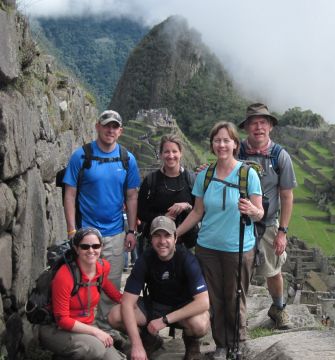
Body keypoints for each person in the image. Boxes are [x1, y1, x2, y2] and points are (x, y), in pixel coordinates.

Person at [176, 121, 264, 359]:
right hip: (207, 248)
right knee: (213, 300)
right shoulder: (205, 176)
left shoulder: (248, 174)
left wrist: (251, 211)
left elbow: (260, 212)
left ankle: (238, 343)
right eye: (217, 140)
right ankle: (221, 345)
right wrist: (176, 233)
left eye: (227, 140)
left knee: (235, 297)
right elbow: (197, 212)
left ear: (235, 144)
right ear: (212, 145)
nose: (222, 144)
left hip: (238, 248)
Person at [62, 110, 141, 329]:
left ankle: (106, 333)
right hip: (86, 233)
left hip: (115, 233)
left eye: (115, 126)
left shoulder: (127, 159)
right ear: (98, 126)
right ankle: (85, 329)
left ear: (121, 131)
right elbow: (70, 194)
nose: (110, 130)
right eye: (107, 125)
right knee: (83, 284)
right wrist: (71, 231)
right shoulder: (81, 156)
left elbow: (132, 196)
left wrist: (131, 231)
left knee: (110, 285)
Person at [108, 216, 210, 360]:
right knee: (115, 315)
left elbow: (203, 302)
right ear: (151, 239)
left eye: (167, 235)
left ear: (175, 238)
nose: (162, 241)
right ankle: (148, 341)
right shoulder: (145, 258)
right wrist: (137, 345)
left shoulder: (187, 259)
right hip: (154, 306)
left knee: (200, 324)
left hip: (183, 309)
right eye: (157, 235)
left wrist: (164, 320)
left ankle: (192, 348)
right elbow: (127, 302)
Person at [238, 102, 297, 329]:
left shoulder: (280, 157)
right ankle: (237, 313)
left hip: (268, 224)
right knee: (238, 271)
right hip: (239, 222)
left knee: (273, 271)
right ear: (246, 128)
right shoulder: (237, 151)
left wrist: (282, 232)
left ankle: (279, 308)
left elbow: (287, 196)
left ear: (270, 126)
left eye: (263, 122)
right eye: (254, 123)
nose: (259, 127)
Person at [39, 228, 125, 360]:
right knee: (95, 349)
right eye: (85, 247)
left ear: (101, 247)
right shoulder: (64, 276)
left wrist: (125, 301)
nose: (91, 251)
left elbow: (106, 285)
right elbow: (62, 320)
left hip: (86, 326)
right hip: (57, 329)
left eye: (95, 246)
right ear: (76, 248)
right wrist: (97, 332)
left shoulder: (103, 267)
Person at [138, 135, 197, 249]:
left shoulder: (191, 179)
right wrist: (162, 217)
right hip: (157, 244)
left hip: (186, 244)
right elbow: (141, 212)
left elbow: (200, 211)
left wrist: (187, 206)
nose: (171, 156)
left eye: (174, 151)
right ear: (160, 154)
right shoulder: (151, 180)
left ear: (181, 153)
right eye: (166, 152)